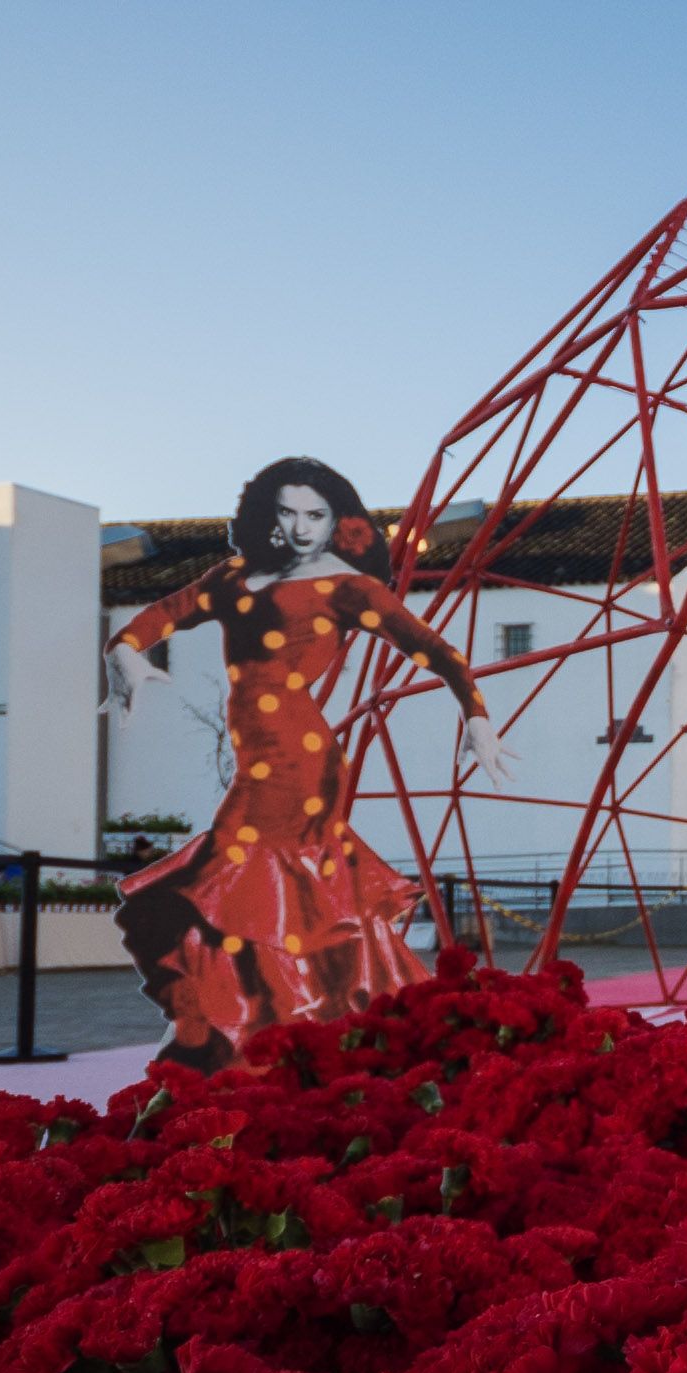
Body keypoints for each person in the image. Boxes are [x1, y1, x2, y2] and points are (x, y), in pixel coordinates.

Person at [107, 457, 505, 1072]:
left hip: (299, 763)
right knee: (261, 901)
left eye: (315, 515)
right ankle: (287, 1040)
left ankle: (225, 1046)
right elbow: (154, 618)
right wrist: (126, 657)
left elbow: (436, 651)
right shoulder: (231, 578)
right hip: (253, 758)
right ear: (269, 516)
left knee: (239, 893)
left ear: (336, 521)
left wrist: (475, 717)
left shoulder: (346, 586)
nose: (300, 527)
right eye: (288, 512)